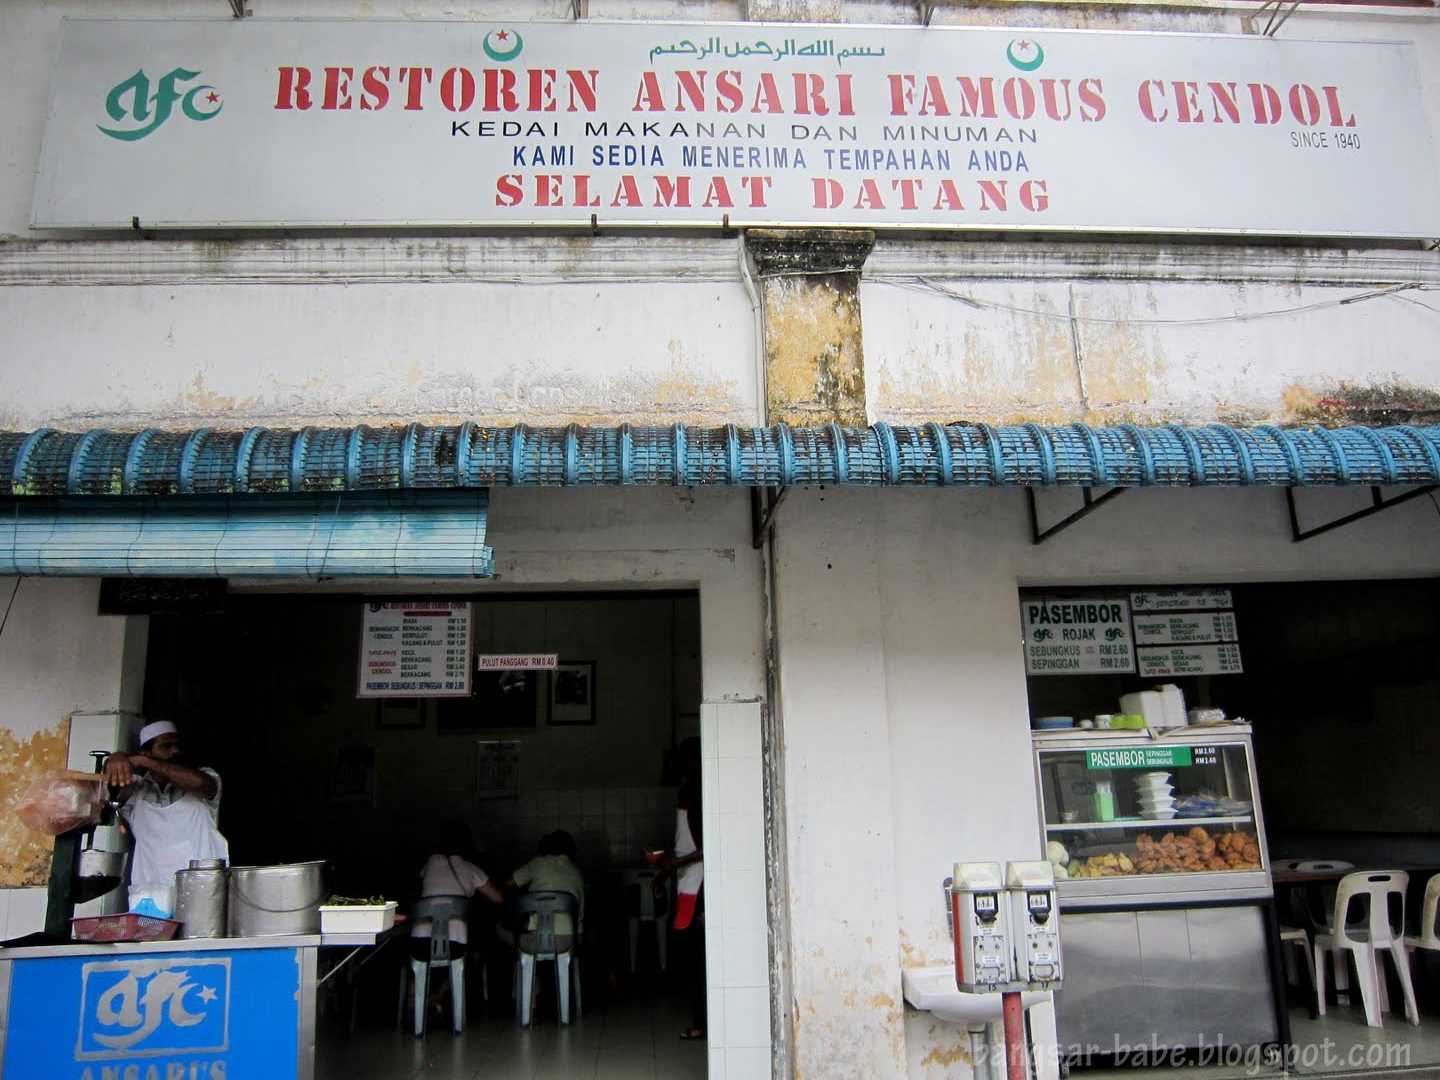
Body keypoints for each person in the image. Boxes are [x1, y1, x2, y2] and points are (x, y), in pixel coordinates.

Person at [102, 719, 228, 916]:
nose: (175, 751)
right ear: (146, 751)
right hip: (151, 898)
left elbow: (199, 784)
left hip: (201, 893)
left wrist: (144, 761)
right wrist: (117, 758)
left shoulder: (205, 777)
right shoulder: (135, 790)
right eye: (166, 746)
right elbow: (107, 789)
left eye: (178, 745)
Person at [658, 737, 705, 1040]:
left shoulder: (695, 793)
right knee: (694, 957)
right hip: (688, 882)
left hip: (699, 886)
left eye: (683, 759)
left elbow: (707, 847)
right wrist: (665, 873)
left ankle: (701, 1022)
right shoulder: (689, 792)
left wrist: (672, 867)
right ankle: (701, 1021)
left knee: (697, 959)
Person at [412, 821, 504, 961]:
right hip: (455, 943)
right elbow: (498, 898)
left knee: (420, 971)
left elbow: (421, 881)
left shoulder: (431, 863)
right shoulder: (472, 869)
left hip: (420, 940)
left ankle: (416, 983)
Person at [506, 829, 586, 952]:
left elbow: (509, 885)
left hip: (538, 940)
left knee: (499, 929)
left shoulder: (539, 863)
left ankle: (521, 969)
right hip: (572, 941)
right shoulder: (577, 872)